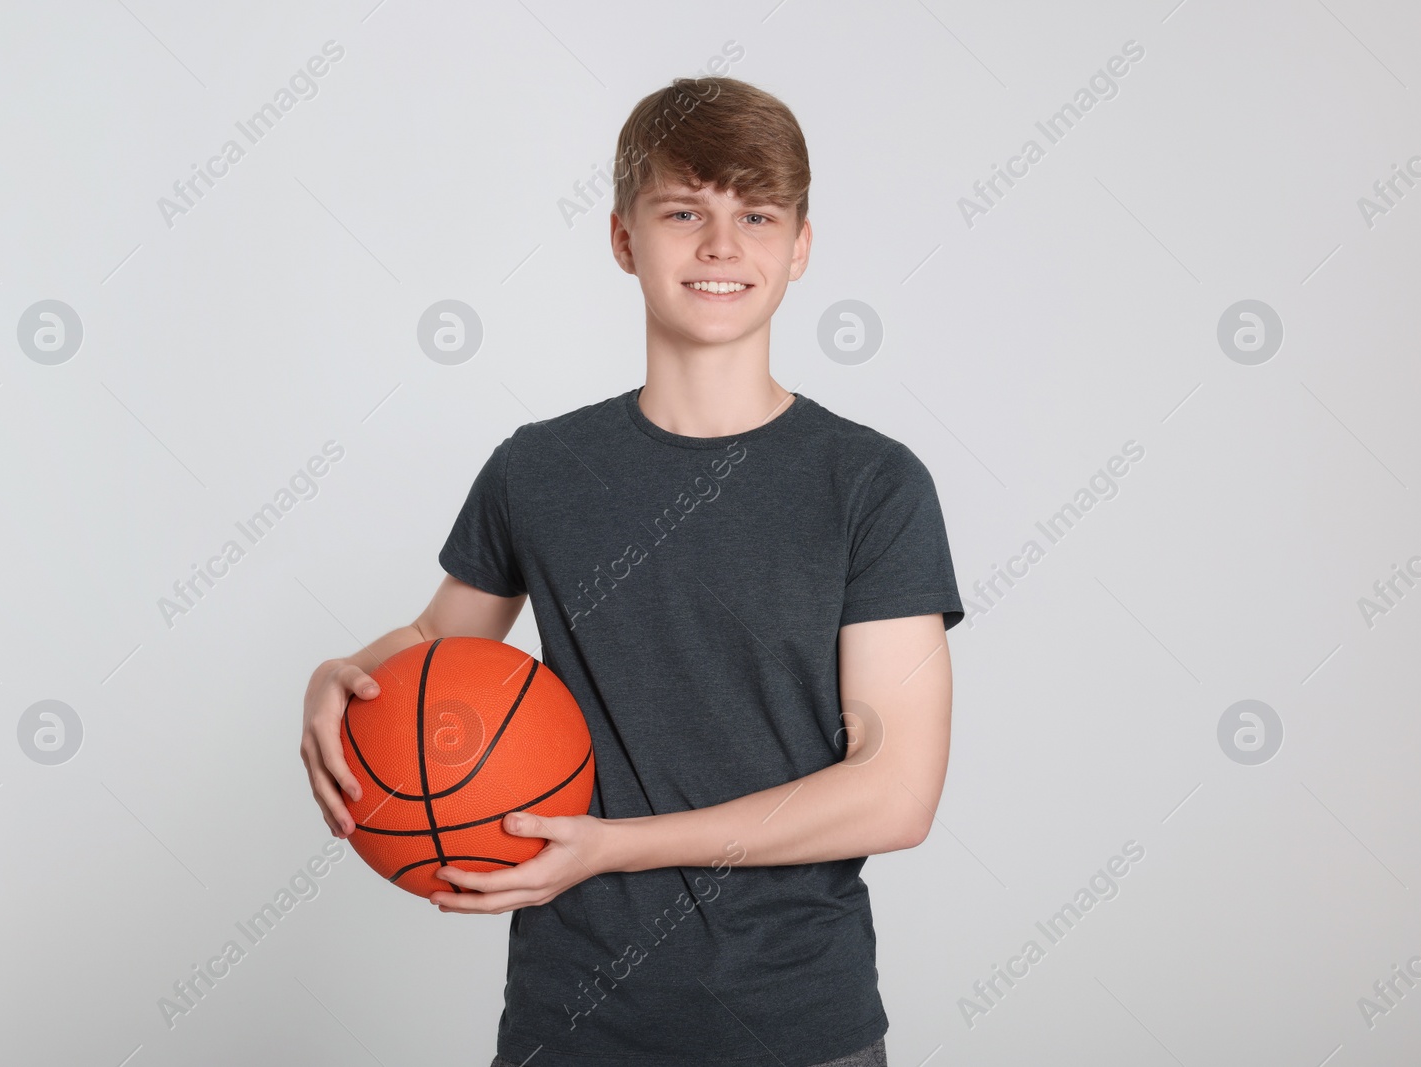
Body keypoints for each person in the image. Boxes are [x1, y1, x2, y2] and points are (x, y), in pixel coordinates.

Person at [300, 74, 964, 1067]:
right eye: (683, 210)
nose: (720, 246)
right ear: (622, 238)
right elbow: (438, 643)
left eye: (757, 214)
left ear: (800, 247)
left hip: (795, 1024)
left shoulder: (870, 484)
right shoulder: (540, 467)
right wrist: (342, 672)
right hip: (569, 1021)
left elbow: (894, 790)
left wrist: (616, 842)